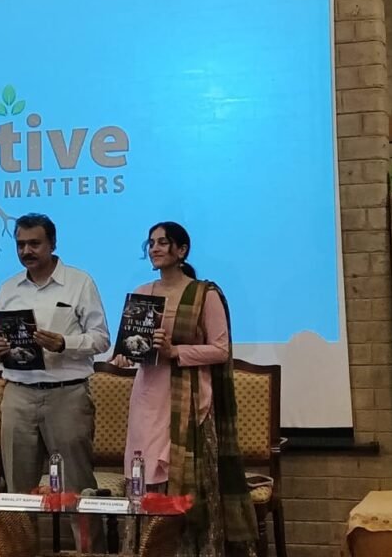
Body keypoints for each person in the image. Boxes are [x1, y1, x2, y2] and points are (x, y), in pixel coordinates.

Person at [112, 222, 256, 557]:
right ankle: (147, 548)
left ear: (182, 250)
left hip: (189, 399)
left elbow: (220, 350)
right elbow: (132, 348)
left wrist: (175, 351)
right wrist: (122, 356)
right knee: (145, 470)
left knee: (184, 478)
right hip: (148, 395)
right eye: (151, 243)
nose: (155, 248)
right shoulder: (142, 293)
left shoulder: (205, 294)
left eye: (163, 242)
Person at [0, 213, 110, 549]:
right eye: (21, 244)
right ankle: (19, 552)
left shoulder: (79, 282)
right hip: (18, 394)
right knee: (18, 491)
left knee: (77, 487)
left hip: (66, 394)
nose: (27, 251)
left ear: (52, 244)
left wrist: (64, 343)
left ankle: (89, 553)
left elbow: (101, 338)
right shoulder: (8, 288)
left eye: (34, 244)